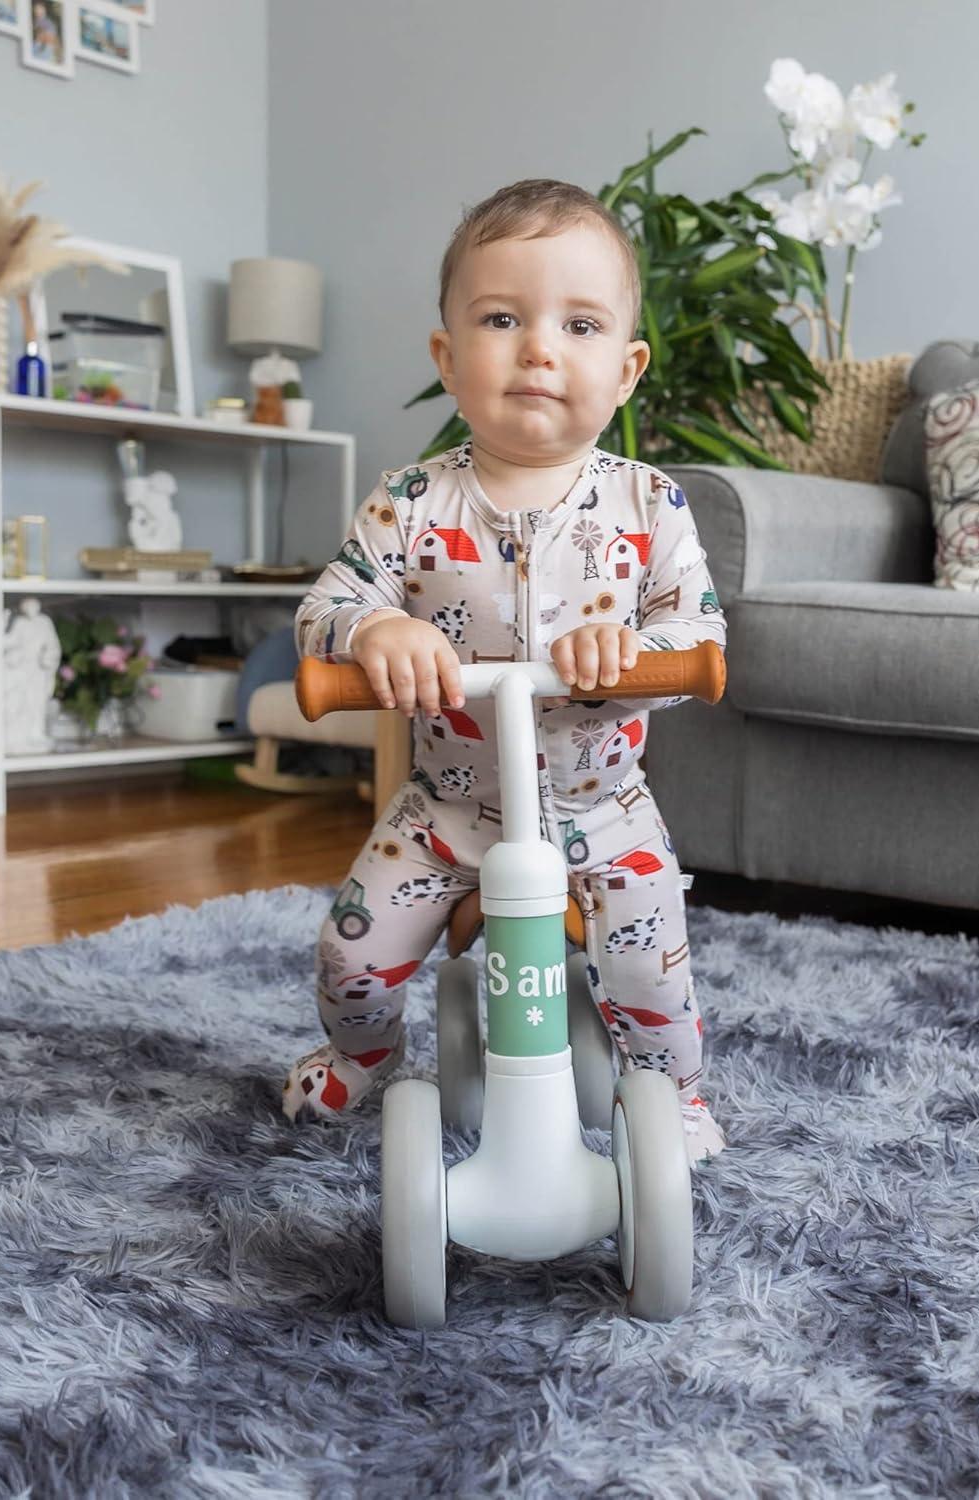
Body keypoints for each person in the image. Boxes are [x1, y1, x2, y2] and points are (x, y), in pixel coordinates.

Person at [282, 178, 729, 1164]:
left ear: (626, 368)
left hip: (603, 803)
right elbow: (326, 606)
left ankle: (678, 1098)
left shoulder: (651, 505)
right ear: (448, 357)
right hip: (445, 808)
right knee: (349, 954)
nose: (538, 347)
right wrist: (372, 634)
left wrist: (639, 655)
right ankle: (361, 1054)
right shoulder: (408, 501)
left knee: (654, 971)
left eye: (579, 323)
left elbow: (700, 635)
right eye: (501, 318)